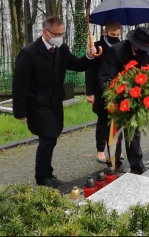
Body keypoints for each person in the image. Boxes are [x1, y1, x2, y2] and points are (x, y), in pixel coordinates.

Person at [12, 16, 96, 188]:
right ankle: (42, 178)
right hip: (37, 103)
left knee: (52, 137)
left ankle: (48, 173)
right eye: (56, 34)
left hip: (55, 102)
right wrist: (20, 110)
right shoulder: (29, 53)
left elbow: (77, 64)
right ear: (45, 32)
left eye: (62, 34)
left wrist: (88, 56)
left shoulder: (61, 49)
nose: (60, 37)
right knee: (48, 137)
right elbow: (19, 84)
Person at [98, 26, 149, 174]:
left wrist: (145, 93)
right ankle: (113, 164)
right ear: (134, 44)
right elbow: (106, 78)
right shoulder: (117, 51)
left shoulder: (148, 53)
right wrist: (114, 98)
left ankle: (136, 165)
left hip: (135, 95)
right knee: (115, 131)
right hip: (116, 94)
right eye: (140, 47)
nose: (143, 50)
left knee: (133, 130)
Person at [85, 21, 123, 163]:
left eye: (118, 35)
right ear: (105, 33)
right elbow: (90, 71)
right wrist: (90, 92)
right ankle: (100, 150)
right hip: (99, 89)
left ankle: (115, 150)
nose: (115, 37)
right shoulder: (97, 47)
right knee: (103, 120)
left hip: (118, 89)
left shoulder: (121, 47)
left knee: (118, 121)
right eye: (112, 34)